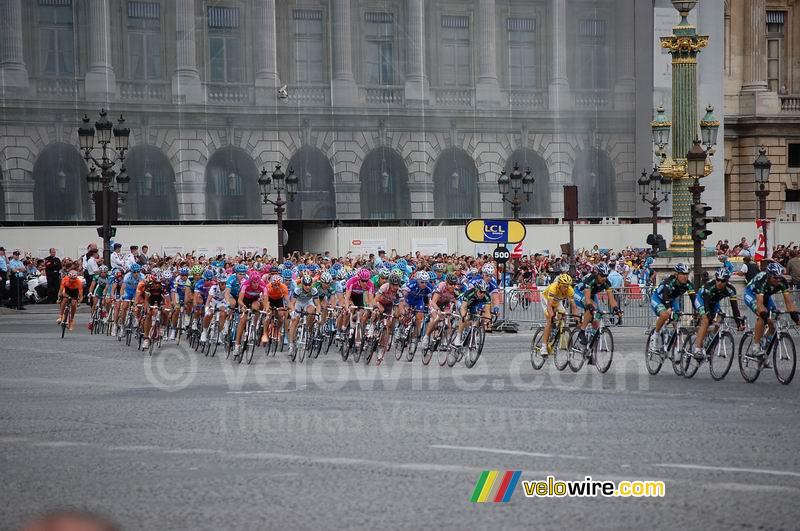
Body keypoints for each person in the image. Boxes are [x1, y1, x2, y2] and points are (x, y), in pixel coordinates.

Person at [742, 263, 799, 358]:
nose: (778, 280)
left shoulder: (782, 282)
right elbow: (760, 304)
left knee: (774, 316)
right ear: (769, 276)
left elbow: (789, 303)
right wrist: (764, 315)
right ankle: (755, 347)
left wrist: (795, 317)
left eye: (780, 277)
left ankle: (765, 340)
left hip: (766, 296)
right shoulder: (762, 280)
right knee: (762, 315)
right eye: (775, 278)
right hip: (751, 295)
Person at [692, 268, 745, 359]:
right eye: (718, 280)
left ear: (727, 281)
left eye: (723, 280)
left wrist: (738, 323)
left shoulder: (731, 290)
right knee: (705, 320)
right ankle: (697, 349)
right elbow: (706, 304)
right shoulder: (709, 285)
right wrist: (709, 316)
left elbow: (735, 308)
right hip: (702, 300)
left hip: (715, 303)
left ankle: (711, 341)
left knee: (720, 318)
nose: (719, 282)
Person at [648, 263, 695, 354]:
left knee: (677, 319)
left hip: (673, 299)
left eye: (686, 274)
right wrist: (668, 308)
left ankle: (674, 346)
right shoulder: (669, 281)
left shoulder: (688, 284)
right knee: (665, 314)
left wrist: (698, 311)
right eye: (682, 274)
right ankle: (655, 336)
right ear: (676, 274)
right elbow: (665, 296)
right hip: (659, 298)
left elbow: (694, 299)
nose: (685, 277)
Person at [538, 273, 579, 356]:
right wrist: (552, 316)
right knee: (550, 320)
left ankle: (555, 332)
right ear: (559, 284)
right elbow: (549, 306)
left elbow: (574, 307)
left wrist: (577, 319)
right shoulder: (553, 288)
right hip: (546, 300)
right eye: (564, 286)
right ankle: (544, 346)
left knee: (563, 314)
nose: (566, 288)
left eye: (567, 286)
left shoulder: (570, 290)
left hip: (557, 301)